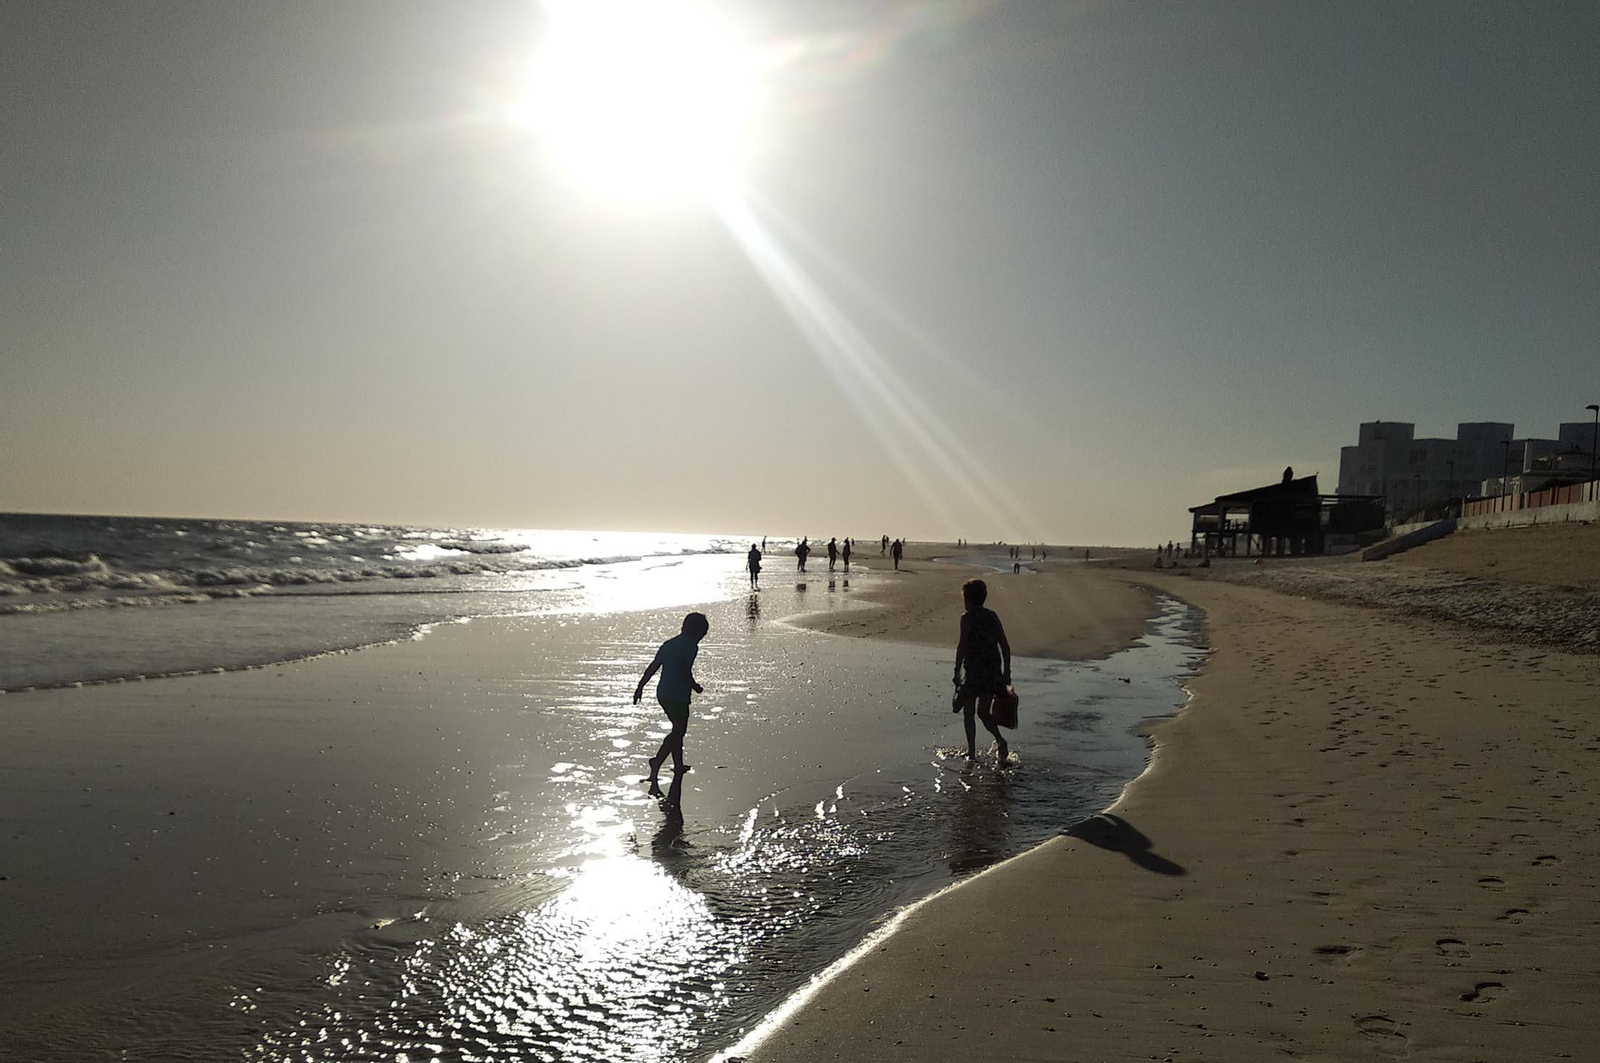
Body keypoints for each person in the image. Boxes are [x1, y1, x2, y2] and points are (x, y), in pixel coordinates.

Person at [634, 612, 709, 797]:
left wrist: (640, 687)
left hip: (663, 693)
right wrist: (695, 686)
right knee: (679, 731)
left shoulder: (669, 644)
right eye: (701, 634)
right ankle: (657, 761)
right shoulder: (691, 647)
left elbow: (654, 666)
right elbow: (685, 670)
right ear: (695, 631)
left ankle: (678, 765)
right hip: (678, 695)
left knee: (678, 729)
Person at [952, 578, 1011, 766]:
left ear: (967, 599)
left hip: (974, 670)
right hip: (991, 669)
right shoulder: (992, 616)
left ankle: (971, 753)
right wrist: (1007, 671)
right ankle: (1000, 740)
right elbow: (1004, 645)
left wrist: (956, 670)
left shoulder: (966, 618)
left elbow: (962, 646)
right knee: (984, 712)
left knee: (969, 712)